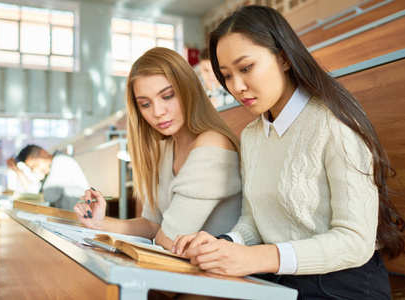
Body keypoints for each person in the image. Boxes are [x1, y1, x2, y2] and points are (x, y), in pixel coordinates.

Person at [173, 5, 405, 299]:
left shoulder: (334, 124)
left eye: (245, 68)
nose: (237, 87)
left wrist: (258, 258)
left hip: (342, 284)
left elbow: (355, 242)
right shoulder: (252, 136)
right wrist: (224, 242)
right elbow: (255, 222)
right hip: (281, 277)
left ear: (283, 57)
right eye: (227, 75)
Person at [73, 47, 242, 251]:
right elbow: (152, 225)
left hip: (222, 276)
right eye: (145, 104)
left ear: (188, 89)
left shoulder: (212, 145)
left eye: (168, 96)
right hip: (189, 270)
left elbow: (168, 239)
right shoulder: (165, 148)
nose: (158, 112)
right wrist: (99, 223)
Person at [9, 145, 89, 211]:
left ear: (43, 152)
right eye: (32, 169)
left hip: (77, 220)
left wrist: (18, 172)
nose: (36, 170)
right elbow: (36, 192)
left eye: (35, 165)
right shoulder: (53, 167)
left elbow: (45, 197)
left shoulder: (61, 162)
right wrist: (17, 171)